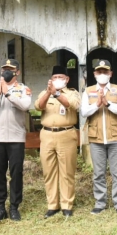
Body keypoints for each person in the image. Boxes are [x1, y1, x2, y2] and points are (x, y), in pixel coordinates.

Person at [0, 59, 32, 222]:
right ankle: (0, 207)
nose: (6, 72)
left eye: (10, 69)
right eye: (4, 69)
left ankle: (14, 207)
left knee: (16, 173)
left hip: (16, 137)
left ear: (17, 72)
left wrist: (8, 93)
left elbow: (25, 106)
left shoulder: (22, 89)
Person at [81, 60, 117, 215]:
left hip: (116, 138)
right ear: (94, 74)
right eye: (99, 72)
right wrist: (97, 104)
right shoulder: (88, 91)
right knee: (98, 174)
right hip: (96, 139)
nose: (102, 75)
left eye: (105, 72)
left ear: (110, 74)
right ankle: (100, 203)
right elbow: (84, 112)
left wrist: (107, 104)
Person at [35, 66, 81, 218]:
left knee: (67, 171)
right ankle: (52, 205)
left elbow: (71, 105)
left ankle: (67, 205)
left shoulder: (73, 93)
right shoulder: (44, 93)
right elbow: (38, 107)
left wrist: (57, 94)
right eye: (55, 77)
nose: (57, 80)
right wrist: (49, 93)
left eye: (60, 77)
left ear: (67, 79)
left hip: (66, 134)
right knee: (49, 172)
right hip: (47, 134)